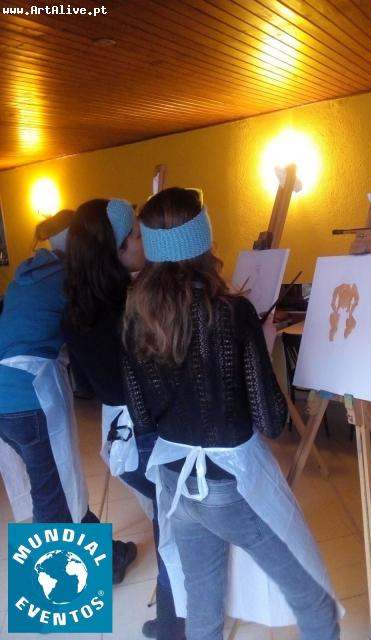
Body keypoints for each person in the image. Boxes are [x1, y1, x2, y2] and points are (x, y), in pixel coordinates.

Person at [123, 187, 341, 640]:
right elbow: (271, 419)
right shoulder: (231, 313)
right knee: (313, 597)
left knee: (203, 610)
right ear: (203, 241)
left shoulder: (135, 316)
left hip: (175, 483)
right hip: (228, 484)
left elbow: (142, 419)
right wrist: (257, 345)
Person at [62, 198, 183, 640]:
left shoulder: (77, 309)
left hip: (117, 438)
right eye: (133, 234)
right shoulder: (130, 308)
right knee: (173, 521)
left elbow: (89, 384)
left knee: (167, 516)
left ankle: (172, 616)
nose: (141, 240)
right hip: (145, 432)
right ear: (113, 250)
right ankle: (175, 623)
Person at [0, 209, 136, 583]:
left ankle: (106, 557)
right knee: (51, 492)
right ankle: (55, 594)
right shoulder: (69, 279)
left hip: (5, 397)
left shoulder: (29, 272)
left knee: (54, 481)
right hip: (29, 396)